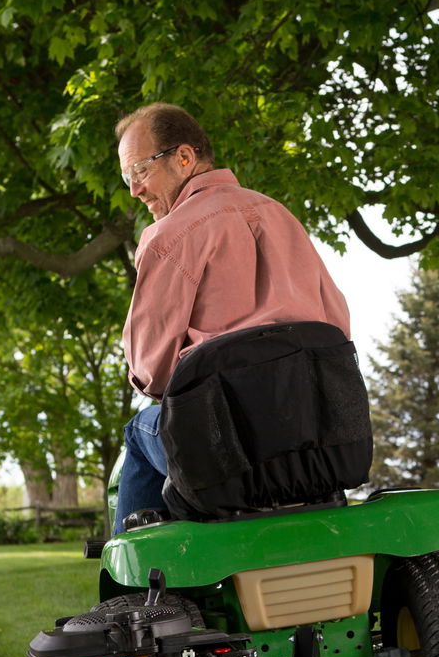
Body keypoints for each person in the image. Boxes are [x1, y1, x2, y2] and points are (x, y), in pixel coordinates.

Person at [111, 102, 351, 532]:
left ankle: (136, 594)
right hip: (315, 444)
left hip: (223, 452)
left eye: (139, 173)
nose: (134, 191)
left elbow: (152, 371)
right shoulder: (282, 216)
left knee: (138, 430)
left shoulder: (167, 237)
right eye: (127, 179)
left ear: (184, 157)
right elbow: (336, 330)